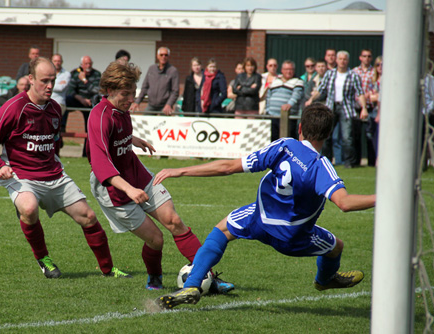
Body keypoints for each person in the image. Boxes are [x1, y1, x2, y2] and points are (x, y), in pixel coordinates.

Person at [155, 103, 376, 309]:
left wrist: (180, 170)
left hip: (260, 222)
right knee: (336, 247)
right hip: (294, 237)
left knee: (222, 230)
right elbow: (344, 203)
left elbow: (227, 167)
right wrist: (382, 197)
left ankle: (193, 284)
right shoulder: (320, 166)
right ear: (328, 134)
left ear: (299, 127)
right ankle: (324, 280)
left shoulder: (284, 146)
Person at [87, 61, 234, 292]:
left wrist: (132, 139)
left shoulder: (122, 110)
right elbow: (100, 162)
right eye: (126, 94)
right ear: (110, 90)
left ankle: (210, 278)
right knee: (156, 239)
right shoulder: (99, 115)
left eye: (133, 94)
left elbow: (116, 135)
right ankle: (154, 277)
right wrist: (129, 189)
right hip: (115, 190)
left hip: (137, 174)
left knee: (174, 221)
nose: (131, 99)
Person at [0, 57, 130, 280]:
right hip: (21, 175)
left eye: (53, 80)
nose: (50, 86)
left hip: (54, 174)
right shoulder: (13, 108)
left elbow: (54, 141)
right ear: (31, 79)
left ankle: (109, 270)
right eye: (44, 80)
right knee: (29, 208)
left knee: (88, 217)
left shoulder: (55, 109)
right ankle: (44, 260)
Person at [306, 51, 368, 168]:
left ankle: (348, 163)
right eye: (340, 59)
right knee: (326, 135)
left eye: (344, 59)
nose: (342, 61)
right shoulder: (330, 74)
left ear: (347, 61)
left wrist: (364, 108)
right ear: (336, 60)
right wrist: (311, 100)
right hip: (331, 107)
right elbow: (321, 89)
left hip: (346, 108)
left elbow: (360, 93)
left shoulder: (353, 75)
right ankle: (326, 161)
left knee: (347, 137)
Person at [65, 55, 101, 156]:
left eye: (90, 63)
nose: (88, 65)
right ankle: (61, 126)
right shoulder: (75, 73)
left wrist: (84, 80)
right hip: (79, 100)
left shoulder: (97, 74)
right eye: (86, 64)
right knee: (64, 101)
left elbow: (97, 91)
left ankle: (86, 153)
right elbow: (70, 90)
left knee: (89, 128)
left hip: (91, 103)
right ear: (81, 65)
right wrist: (81, 99)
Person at [130, 47, 179, 116]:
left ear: (168, 56)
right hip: (151, 105)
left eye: (166, 55)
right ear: (157, 56)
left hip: (165, 106)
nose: (163, 57)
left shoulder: (172, 71)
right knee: (146, 122)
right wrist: (137, 102)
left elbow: (175, 91)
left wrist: (169, 104)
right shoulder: (152, 69)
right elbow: (145, 87)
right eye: (161, 55)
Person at [265, 60, 304, 141]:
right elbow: (268, 95)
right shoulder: (275, 80)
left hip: (288, 117)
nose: (288, 71)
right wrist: (268, 109)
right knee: (273, 140)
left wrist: (289, 104)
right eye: (286, 69)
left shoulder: (298, 81)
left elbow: (296, 95)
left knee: (287, 140)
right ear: (282, 70)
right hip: (272, 116)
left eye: (291, 69)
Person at [352, 49, 376, 167]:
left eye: (369, 56)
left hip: (370, 107)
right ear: (360, 57)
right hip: (356, 106)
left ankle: (371, 162)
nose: (366, 58)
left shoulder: (374, 72)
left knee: (369, 135)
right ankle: (356, 161)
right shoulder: (354, 71)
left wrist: (369, 95)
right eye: (364, 56)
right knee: (355, 135)